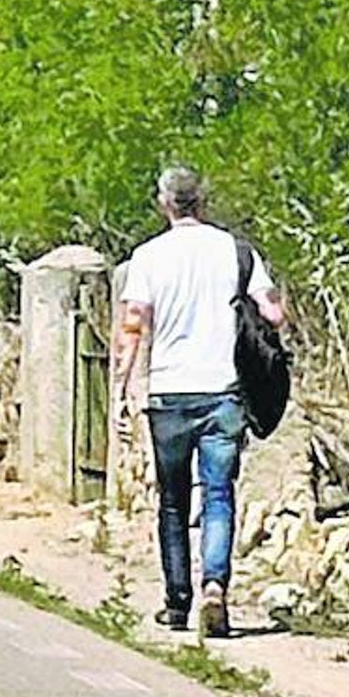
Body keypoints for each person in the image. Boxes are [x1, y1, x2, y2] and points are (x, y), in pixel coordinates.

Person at [115, 166, 285, 638]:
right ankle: (215, 584)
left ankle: (176, 602)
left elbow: (133, 324)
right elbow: (273, 312)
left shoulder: (147, 257)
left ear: (164, 203)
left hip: (168, 392)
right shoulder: (236, 251)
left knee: (171, 501)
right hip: (224, 390)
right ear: (202, 201)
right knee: (218, 494)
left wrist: (121, 387)